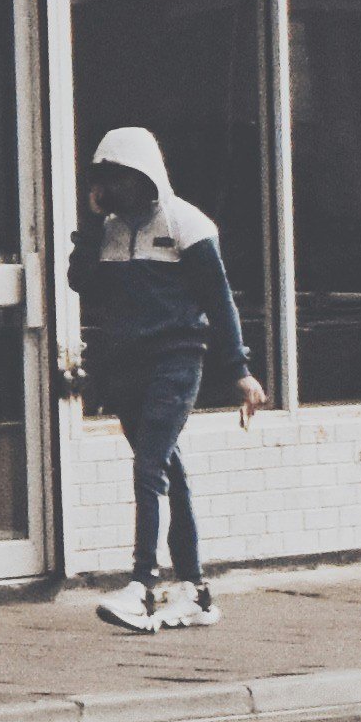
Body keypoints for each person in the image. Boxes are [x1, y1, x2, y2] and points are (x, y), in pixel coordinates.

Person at [65, 121, 265, 634]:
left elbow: (219, 303)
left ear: (147, 175)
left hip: (176, 360)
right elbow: (79, 281)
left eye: (122, 177)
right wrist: (89, 230)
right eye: (105, 179)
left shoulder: (186, 224)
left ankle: (142, 584)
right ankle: (195, 589)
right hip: (126, 367)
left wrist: (239, 371)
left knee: (149, 467)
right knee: (167, 472)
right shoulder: (108, 232)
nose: (114, 189)